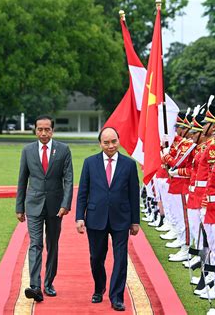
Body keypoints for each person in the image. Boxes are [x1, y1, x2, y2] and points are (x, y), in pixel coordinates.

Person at [76, 127, 140, 312]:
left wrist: (135, 221)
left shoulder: (129, 165)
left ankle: (117, 297)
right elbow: (83, 193)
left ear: (118, 140)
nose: (110, 146)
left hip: (122, 217)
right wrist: (80, 216)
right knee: (96, 257)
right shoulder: (90, 163)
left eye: (114, 141)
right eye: (106, 142)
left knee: (121, 259)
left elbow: (134, 194)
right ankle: (99, 288)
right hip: (96, 218)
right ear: (100, 143)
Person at [15, 115, 73, 302]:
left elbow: (69, 179)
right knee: (35, 244)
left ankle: (48, 283)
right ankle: (35, 286)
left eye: (47, 129)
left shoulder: (63, 150)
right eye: (40, 129)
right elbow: (22, 180)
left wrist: (66, 204)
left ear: (52, 130)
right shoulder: (28, 150)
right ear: (35, 130)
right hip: (33, 205)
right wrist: (19, 207)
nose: (43, 133)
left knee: (52, 245)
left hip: (56, 207)